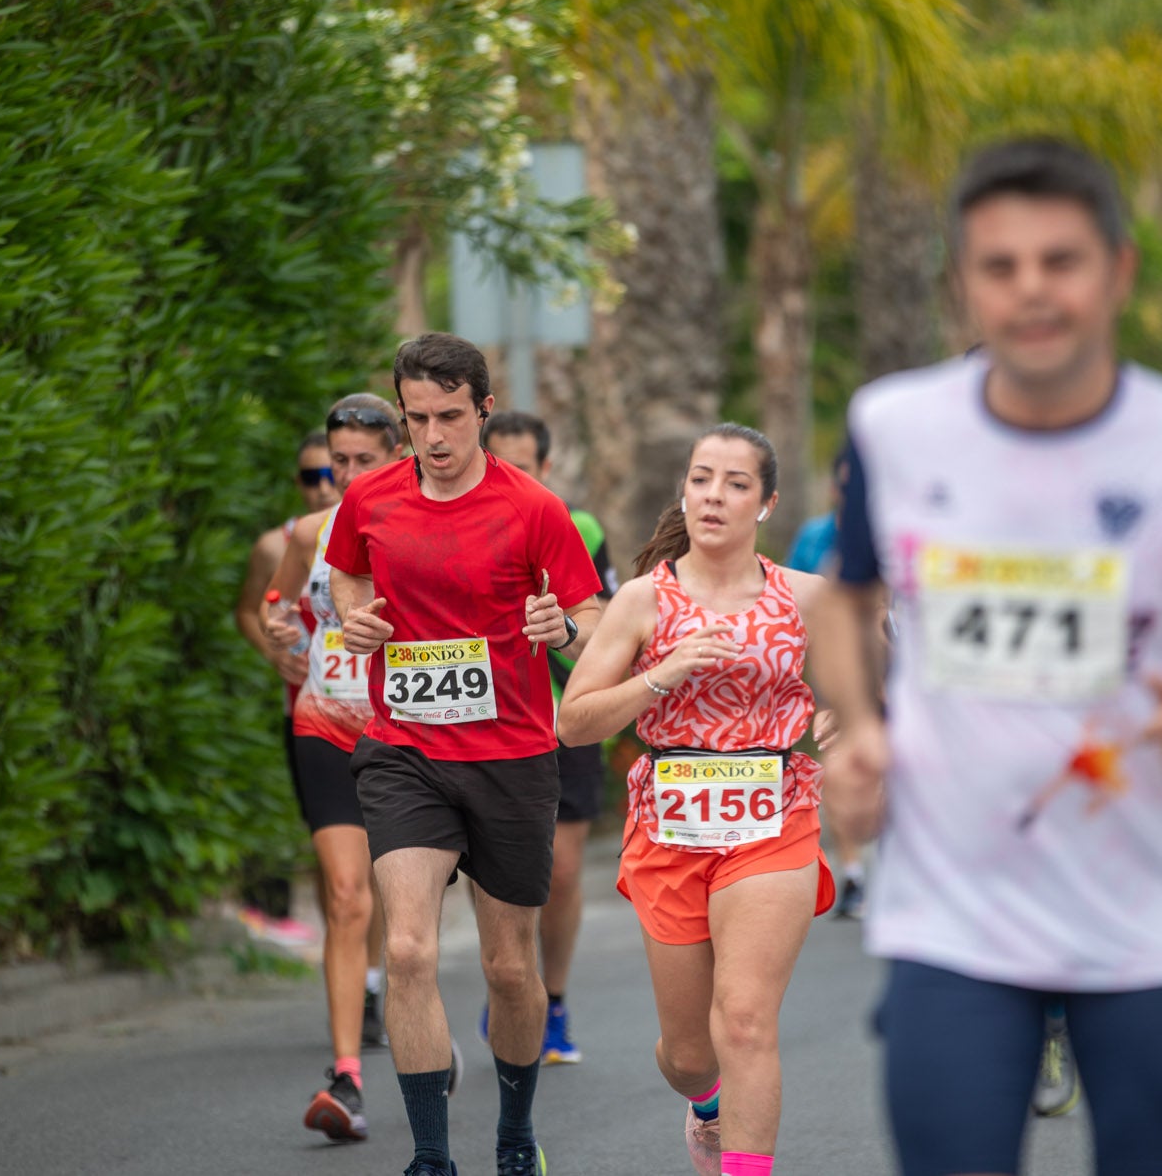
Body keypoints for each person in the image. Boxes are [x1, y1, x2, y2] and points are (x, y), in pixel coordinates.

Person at [813, 138, 1162, 1176]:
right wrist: (861, 726)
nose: (1030, 291)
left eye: (1060, 261)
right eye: (998, 266)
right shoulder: (894, 427)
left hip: (1135, 915)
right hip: (947, 912)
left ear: (1117, 271)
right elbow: (845, 599)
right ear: (961, 283)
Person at [326, 333, 605, 1176]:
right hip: (405, 748)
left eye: (451, 416)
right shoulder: (370, 498)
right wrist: (357, 616)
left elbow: (594, 621)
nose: (435, 436)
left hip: (513, 754)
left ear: (484, 409)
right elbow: (346, 575)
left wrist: (563, 630)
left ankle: (515, 1134)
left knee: (507, 965)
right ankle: (432, 1158)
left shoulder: (534, 509)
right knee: (408, 948)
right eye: (417, 420)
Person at [558, 423, 837, 1176]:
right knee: (690, 1053)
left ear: (767, 501)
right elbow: (573, 718)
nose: (715, 494)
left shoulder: (806, 597)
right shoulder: (645, 601)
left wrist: (839, 716)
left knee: (745, 1020)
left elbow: (860, 691)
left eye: (736, 482)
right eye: (702, 477)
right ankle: (705, 1101)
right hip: (669, 825)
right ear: (684, 490)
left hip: (773, 814)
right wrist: (663, 671)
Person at [259, 395, 409, 1143]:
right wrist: (281, 629)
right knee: (347, 895)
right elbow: (275, 606)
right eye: (334, 463)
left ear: (398, 457)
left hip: (407, 735)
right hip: (324, 723)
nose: (345, 477)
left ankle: (421, 1037)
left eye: (362, 462)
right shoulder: (311, 533)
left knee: (403, 906)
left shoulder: (424, 531)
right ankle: (347, 1075)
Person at [477, 410, 617, 1066]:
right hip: (483, 722)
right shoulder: (453, 521)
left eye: (523, 466)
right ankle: (510, 980)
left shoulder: (576, 527)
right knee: (495, 871)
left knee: (560, 873)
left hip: (563, 719)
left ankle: (551, 999)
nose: (510, 478)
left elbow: (609, 623)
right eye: (498, 463)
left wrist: (560, 625)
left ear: (546, 469)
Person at [234, 432, 341, 922]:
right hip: (308, 714)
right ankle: (357, 970)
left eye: (331, 472)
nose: (323, 487)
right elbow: (249, 612)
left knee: (378, 857)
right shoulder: (276, 547)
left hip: (378, 716)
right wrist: (274, 654)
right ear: (296, 483)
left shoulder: (381, 534)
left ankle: (373, 972)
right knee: (332, 854)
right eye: (310, 477)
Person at [787, 451, 872, 922]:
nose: (846, 493)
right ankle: (855, 873)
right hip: (833, 668)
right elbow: (789, 601)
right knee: (836, 761)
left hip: (891, 665)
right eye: (840, 485)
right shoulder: (815, 536)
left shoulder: (895, 528)